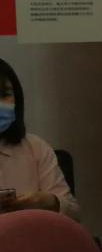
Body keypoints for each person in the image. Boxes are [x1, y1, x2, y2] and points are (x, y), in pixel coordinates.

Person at [0, 57, 80, 221]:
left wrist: (50, 202)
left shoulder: (36, 148)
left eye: (5, 94)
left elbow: (74, 216)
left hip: (34, 235)